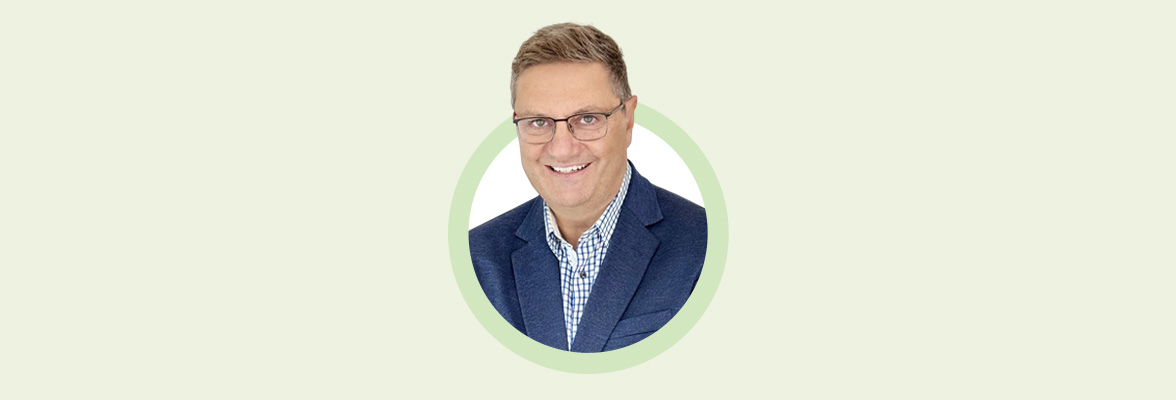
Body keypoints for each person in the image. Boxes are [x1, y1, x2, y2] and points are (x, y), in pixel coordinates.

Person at [469, 23, 707, 353]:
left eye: (588, 119)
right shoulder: (475, 260)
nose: (562, 149)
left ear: (627, 120)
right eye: (539, 122)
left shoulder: (707, 247)